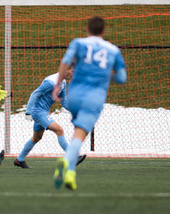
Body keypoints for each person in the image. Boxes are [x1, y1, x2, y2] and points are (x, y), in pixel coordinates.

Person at [52, 16, 127, 190]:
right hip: (94, 98)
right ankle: (65, 163)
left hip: (75, 95)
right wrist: (107, 74)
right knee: (80, 134)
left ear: (87, 29)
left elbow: (65, 62)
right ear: (103, 31)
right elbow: (122, 78)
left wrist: (57, 86)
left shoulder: (78, 43)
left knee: (77, 132)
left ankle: (70, 173)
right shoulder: (113, 50)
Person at [13, 64, 86, 169]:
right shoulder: (51, 82)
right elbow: (34, 94)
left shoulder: (63, 82)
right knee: (59, 130)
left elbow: (64, 102)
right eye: (73, 71)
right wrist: (28, 112)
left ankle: (19, 160)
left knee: (36, 137)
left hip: (44, 112)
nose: (74, 74)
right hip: (38, 112)